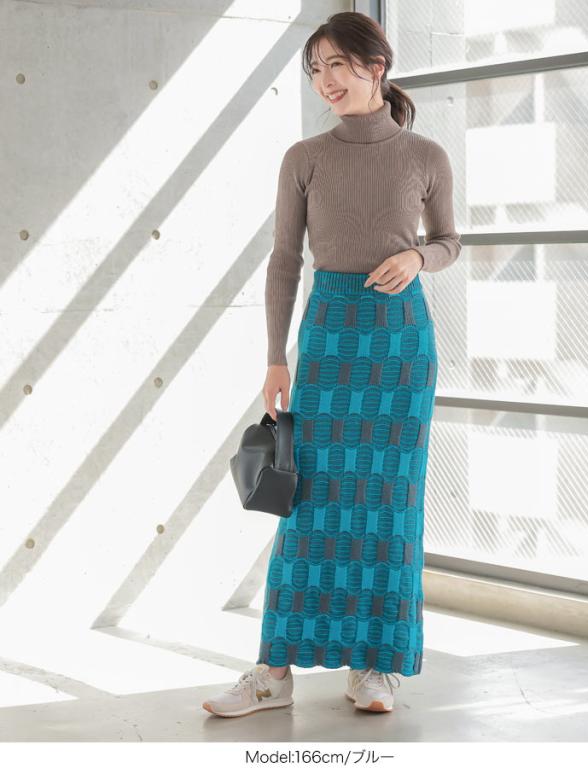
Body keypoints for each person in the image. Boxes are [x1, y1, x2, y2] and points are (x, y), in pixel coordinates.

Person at [203, 10, 461, 718]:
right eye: (316, 69)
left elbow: (449, 241)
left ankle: (375, 667)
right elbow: (285, 261)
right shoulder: (304, 157)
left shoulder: (426, 156)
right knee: (309, 506)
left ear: (377, 66)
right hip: (328, 338)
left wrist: (418, 258)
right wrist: (274, 357)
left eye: (337, 65)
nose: (325, 81)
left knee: (390, 505)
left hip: (401, 346)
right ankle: (272, 673)